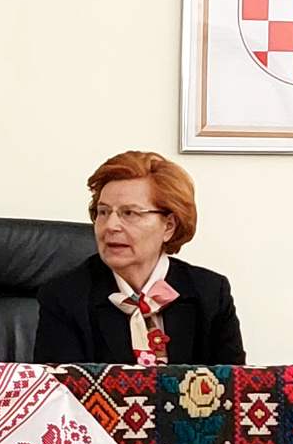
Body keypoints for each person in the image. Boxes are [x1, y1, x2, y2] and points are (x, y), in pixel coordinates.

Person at [34, 151, 244, 366]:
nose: (110, 226)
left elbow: (234, 382)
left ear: (169, 226)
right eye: (103, 212)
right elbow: (64, 386)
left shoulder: (210, 293)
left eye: (129, 213)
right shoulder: (64, 297)